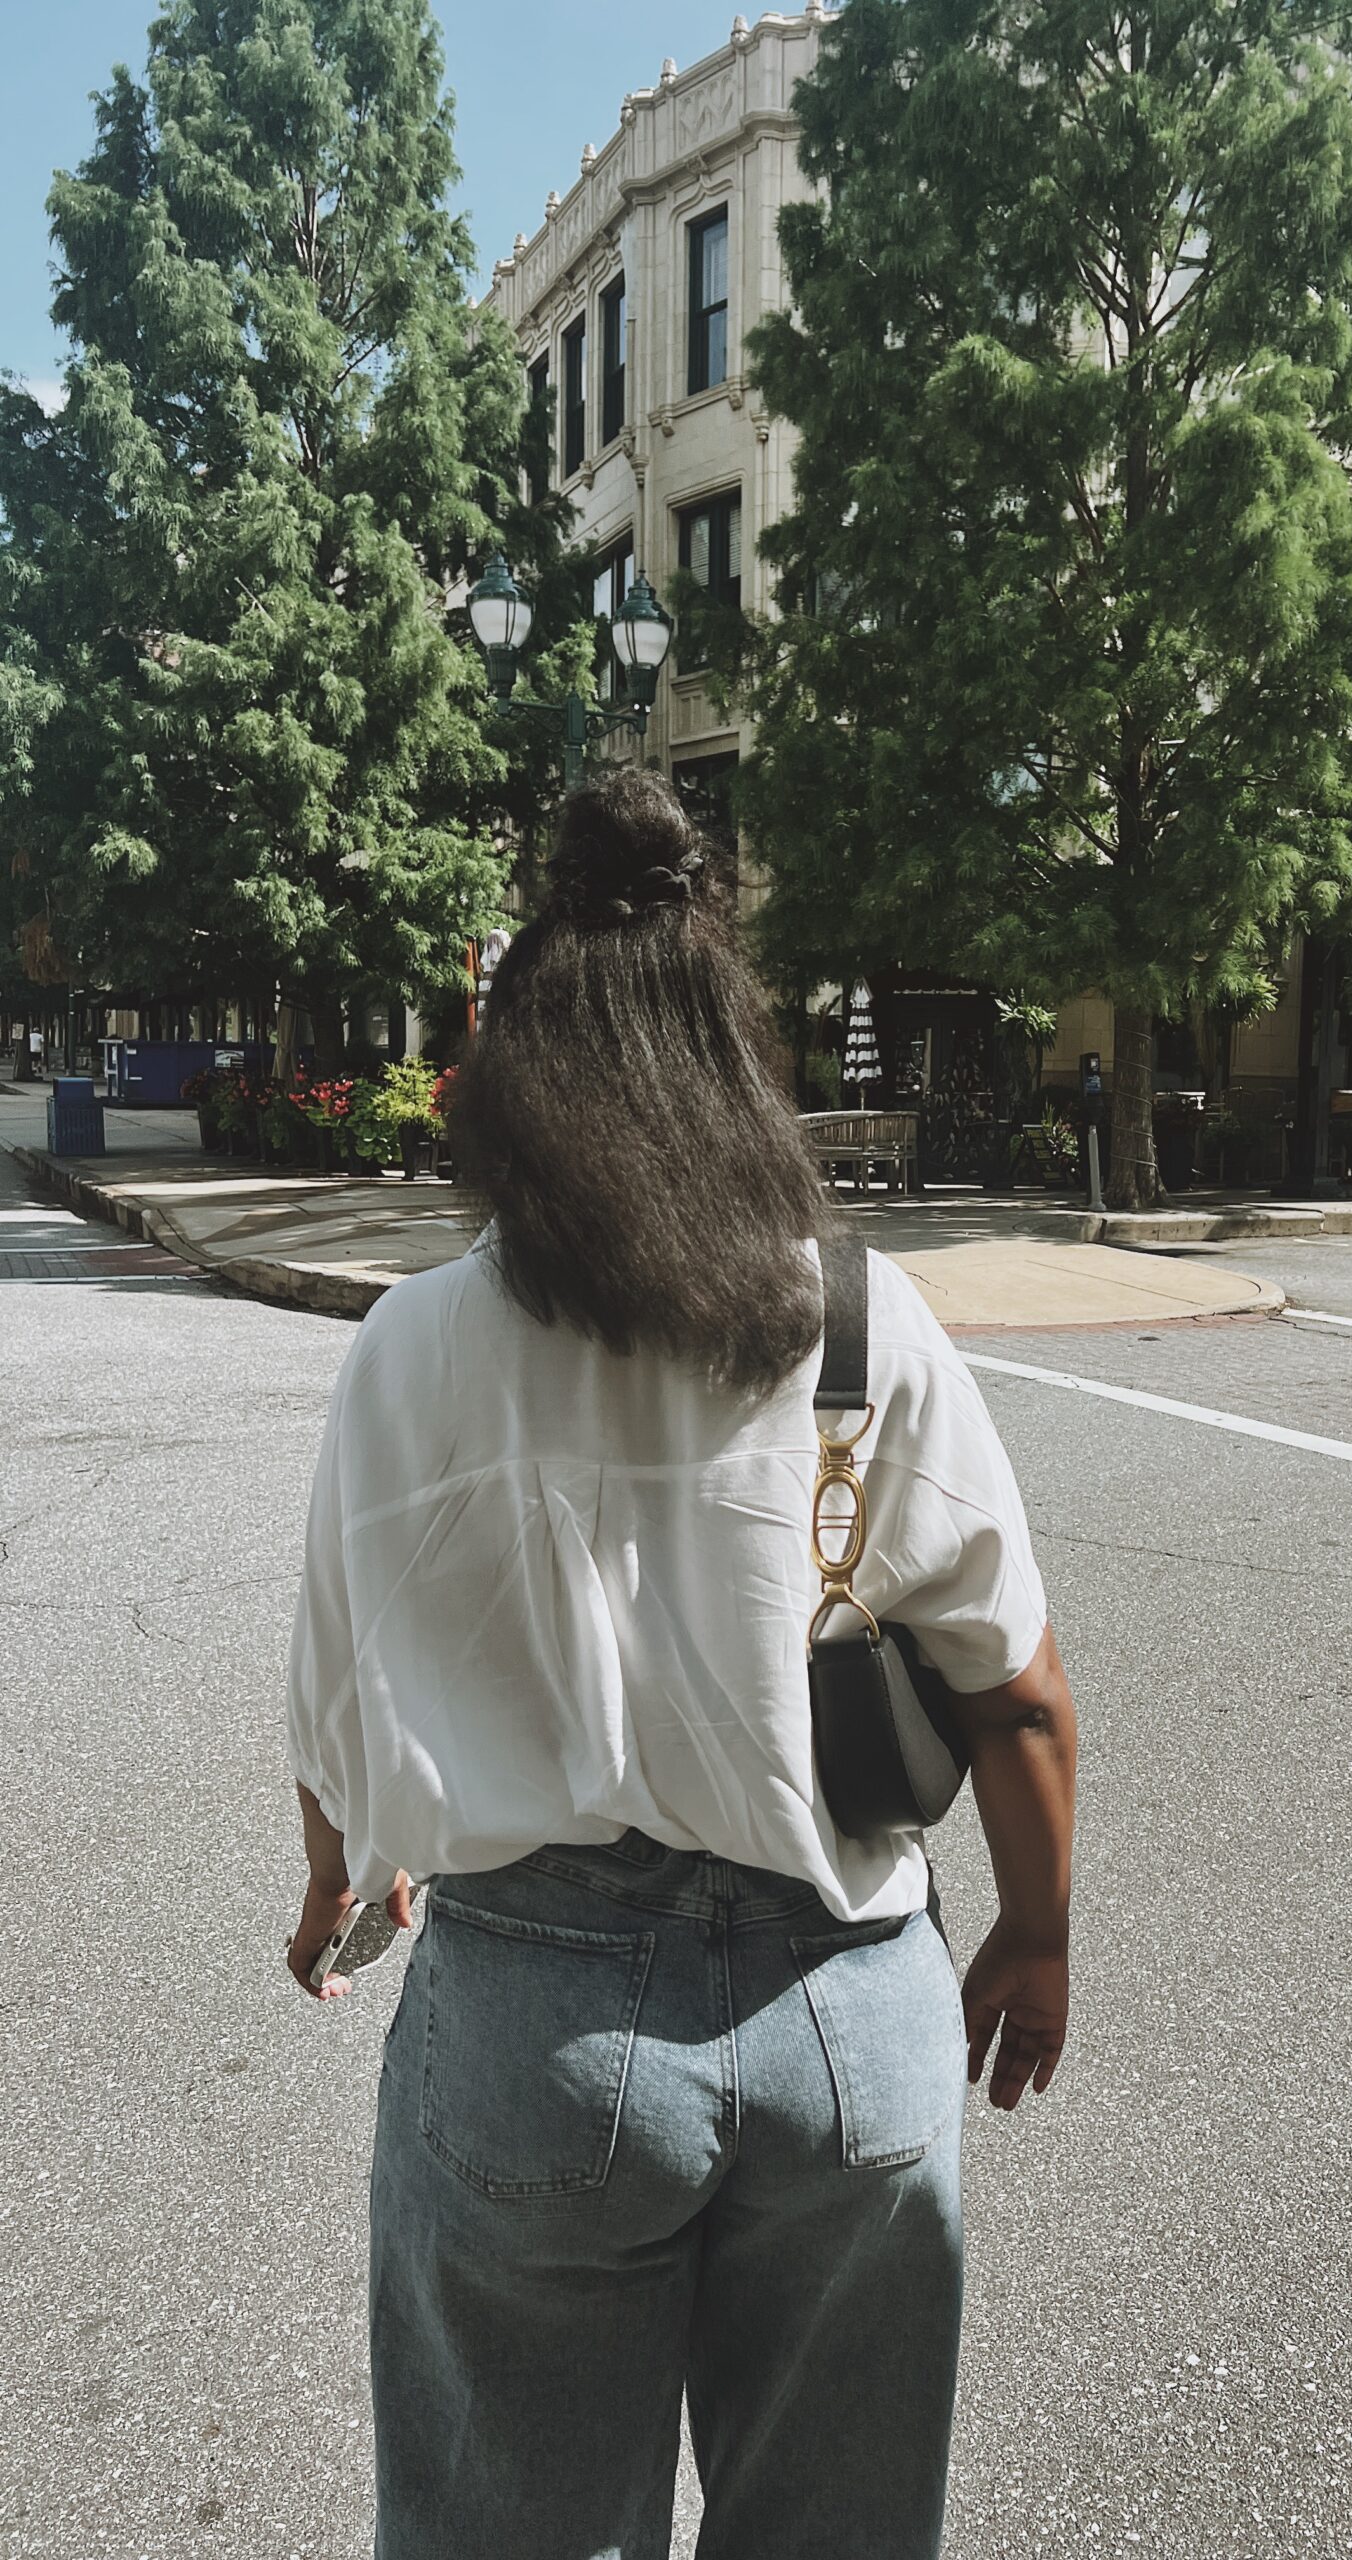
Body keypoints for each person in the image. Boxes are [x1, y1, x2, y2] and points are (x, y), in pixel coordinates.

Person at [284, 767, 1077, 2560]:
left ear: (513, 1082)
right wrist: (1034, 1935)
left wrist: (342, 1871)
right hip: (846, 2013)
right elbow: (1015, 1685)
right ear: (734, 1063)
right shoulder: (860, 1318)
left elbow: (339, 1691)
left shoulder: (416, 1346)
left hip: (537, 2035)